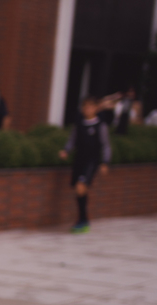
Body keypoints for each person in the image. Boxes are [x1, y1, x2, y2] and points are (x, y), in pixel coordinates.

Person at [59, 96, 111, 233]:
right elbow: (72, 140)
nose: (87, 109)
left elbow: (106, 145)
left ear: (95, 108)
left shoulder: (101, 125)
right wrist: (66, 151)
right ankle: (83, 219)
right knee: (79, 190)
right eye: (85, 107)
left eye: (90, 106)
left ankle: (82, 220)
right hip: (79, 160)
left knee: (81, 187)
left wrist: (105, 162)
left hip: (91, 161)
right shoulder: (79, 124)